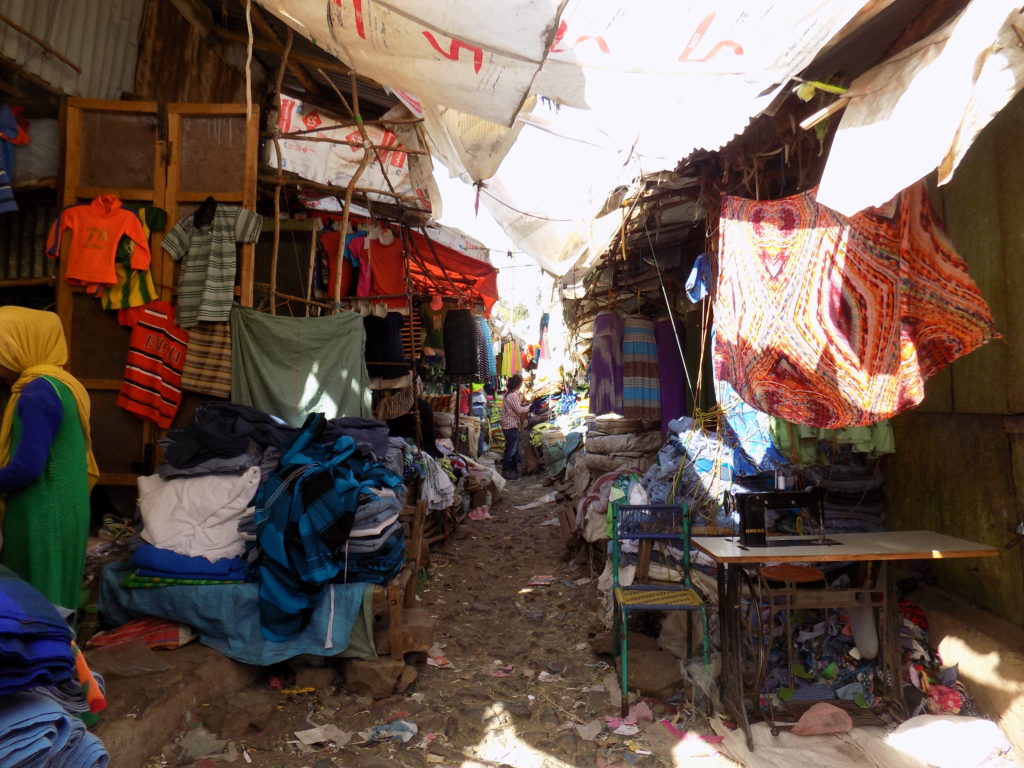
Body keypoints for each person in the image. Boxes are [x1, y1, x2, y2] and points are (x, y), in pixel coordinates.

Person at [0, 307, 99, 610]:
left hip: (42, 511)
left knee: (36, 606)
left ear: (21, 346)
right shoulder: (59, 385)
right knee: (52, 598)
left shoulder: (38, 393)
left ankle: (51, 657)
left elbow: (27, 467)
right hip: (61, 506)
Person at [500, 374, 531, 479]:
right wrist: (530, 406)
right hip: (510, 425)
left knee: (514, 449)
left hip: (510, 425)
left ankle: (513, 470)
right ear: (518, 384)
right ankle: (506, 471)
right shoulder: (512, 395)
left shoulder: (509, 394)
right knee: (511, 450)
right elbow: (519, 410)